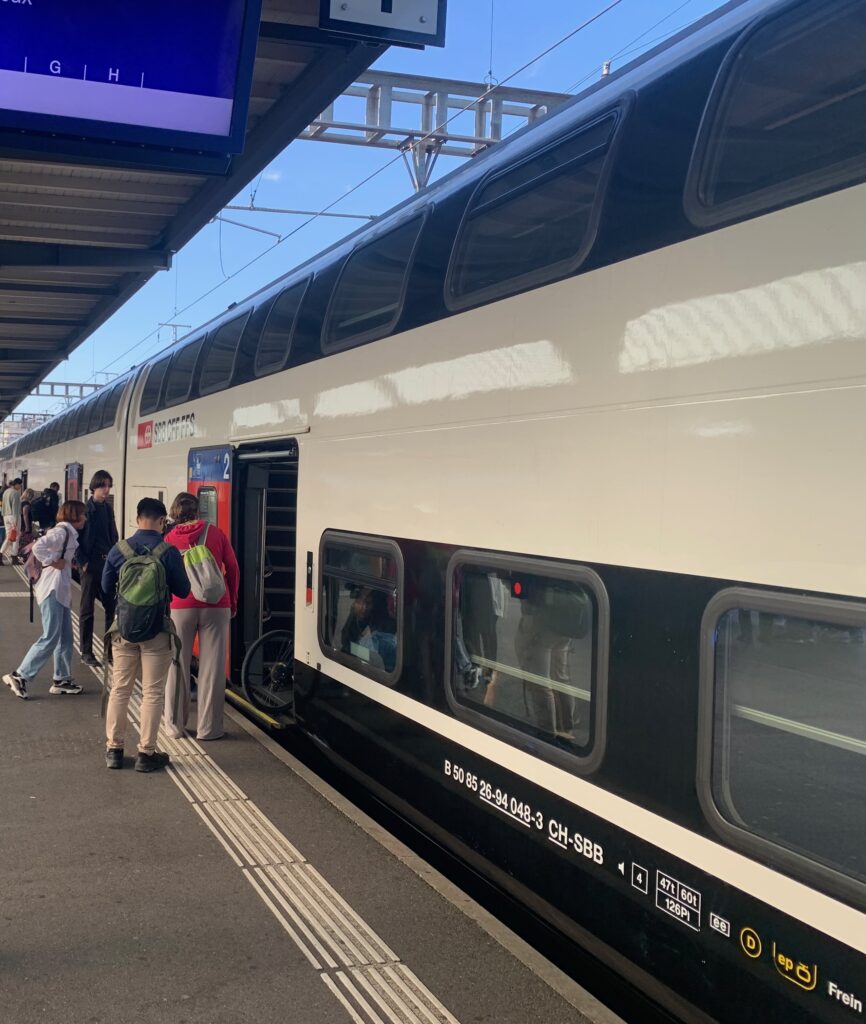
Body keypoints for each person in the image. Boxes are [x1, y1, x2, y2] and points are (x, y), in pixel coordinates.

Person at [102, 497, 190, 772]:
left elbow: (105, 587)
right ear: (163, 521)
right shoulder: (169, 551)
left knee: (120, 689)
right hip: (156, 632)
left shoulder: (119, 550)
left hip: (124, 630)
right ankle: (146, 753)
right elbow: (183, 591)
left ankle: (114, 751)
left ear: (137, 517)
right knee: (152, 692)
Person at [163, 493, 239, 741]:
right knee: (213, 669)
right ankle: (209, 729)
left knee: (177, 664)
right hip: (216, 604)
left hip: (181, 605)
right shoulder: (215, 533)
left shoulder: (169, 538)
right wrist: (233, 600)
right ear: (198, 511)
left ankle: (174, 726)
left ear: (174, 512)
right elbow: (233, 567)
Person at [3, 500, 88, 700]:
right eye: (82, 515)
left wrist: (65, 563)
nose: (85, 518)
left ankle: (62, 679)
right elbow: (39, 547)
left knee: (66, 637)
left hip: (60, 590)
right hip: (52, 589)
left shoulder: (67, 532)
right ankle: (20, 675)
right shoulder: (61, 532)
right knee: (50, 636)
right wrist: (52, 562)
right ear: (74, 516)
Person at [77, 470, 119, 668]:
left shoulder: (108, 509)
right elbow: (75, 538)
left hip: (107, 564)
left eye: (109, 485)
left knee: (112, 607)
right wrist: (82, 561)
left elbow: (113, 534)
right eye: (103, 486)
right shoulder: (85, 510)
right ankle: (86, 651)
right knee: (87, 609)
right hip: (90, 565)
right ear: (94, 487)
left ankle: (109, 651)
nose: (107, 489)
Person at [0, 478, 22, 565]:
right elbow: (15, 508)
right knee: (16, 537)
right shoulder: (16, 493)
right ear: (16, 484)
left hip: (5, 516)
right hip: (13, 516)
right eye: (20, 485)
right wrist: (15, 522)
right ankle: (14, 557)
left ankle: (1, 554)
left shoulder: (6, 492)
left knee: (9, 537)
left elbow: (3, 505)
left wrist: (3, 516)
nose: (20, 487)